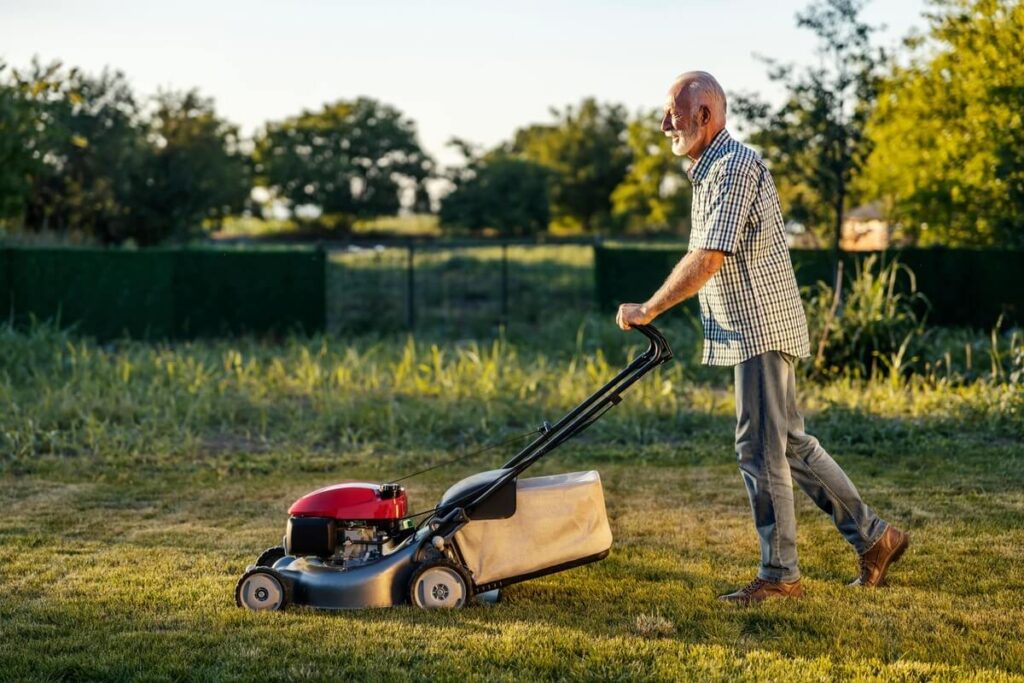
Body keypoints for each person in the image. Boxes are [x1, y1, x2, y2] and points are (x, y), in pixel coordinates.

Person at [615, 71, 909, 605]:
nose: (664, 126)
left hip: (760, 330)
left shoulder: (735, 167)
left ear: (705, 115)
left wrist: (649, 307)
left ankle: (780, 575)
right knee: (790, 445)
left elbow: (708, 257)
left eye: (673, 116)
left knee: (760, 450)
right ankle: (875, 537)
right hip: (752, 330)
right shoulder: (711, 172)